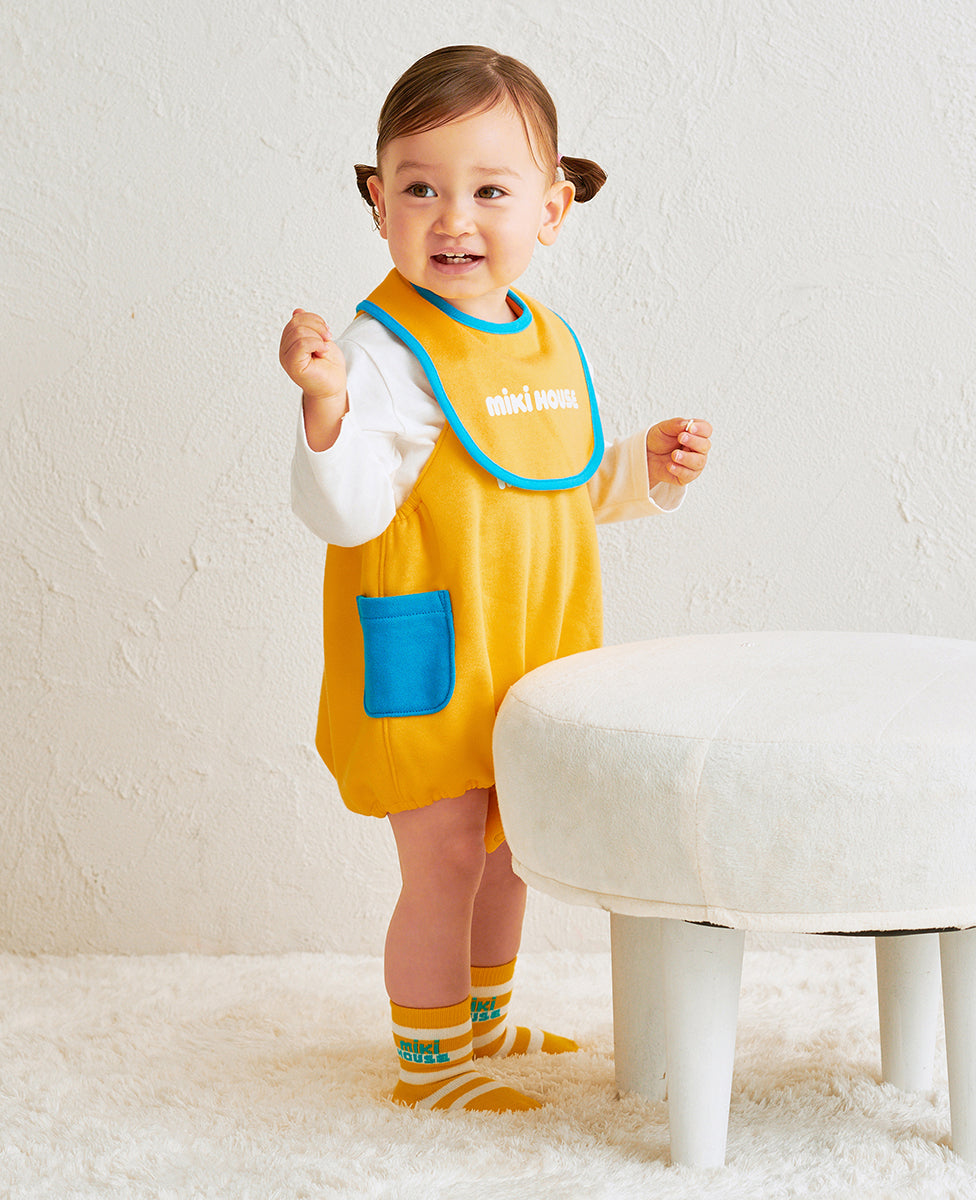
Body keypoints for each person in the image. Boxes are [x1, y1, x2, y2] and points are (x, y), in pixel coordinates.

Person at [280, 45, 712, 1114]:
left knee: (510, 853)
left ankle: (484, 1018)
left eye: (489, 191)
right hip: (431, 654)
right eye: (420, 189)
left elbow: (559, 484)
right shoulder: (378, 352)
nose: (453, 219)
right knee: (443, 863)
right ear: (379, 201)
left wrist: (645, 470)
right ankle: (430, 1063)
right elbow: (347, 511)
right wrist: (327, 408)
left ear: (552, 208)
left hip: (527, 655)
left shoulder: (548, 342)